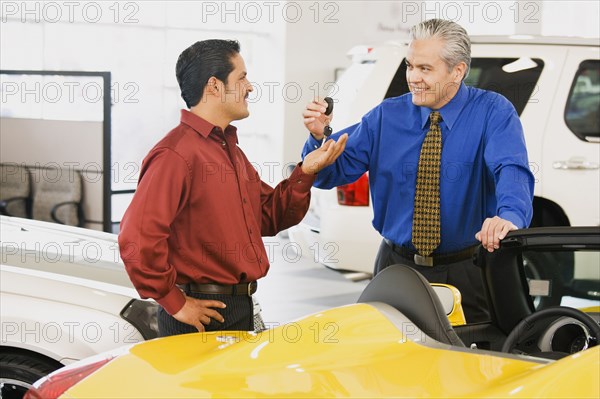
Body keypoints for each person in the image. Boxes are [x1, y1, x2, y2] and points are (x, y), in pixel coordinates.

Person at [301, 19, 534, 323]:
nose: (413, 77)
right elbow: (329, 173)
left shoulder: (493, 112)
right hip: (396, 267)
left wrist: (510, 217)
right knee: (386, 360)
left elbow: (511, 169)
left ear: (458, 71)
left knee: (469, 363)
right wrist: (318, 139)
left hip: (469, 269)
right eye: (410, 66)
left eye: (425, 69)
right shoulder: (386, 116)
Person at [119, 39, 348, 337]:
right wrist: (175, 303)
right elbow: (136, 238)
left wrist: (305, 171)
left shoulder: (230, 152)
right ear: (214, 86)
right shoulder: (176, 155)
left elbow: (269, 216)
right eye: (241, 77)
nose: (250, 87)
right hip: (200, 314)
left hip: (238, 306)